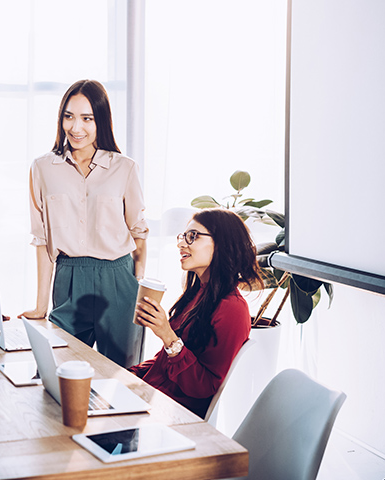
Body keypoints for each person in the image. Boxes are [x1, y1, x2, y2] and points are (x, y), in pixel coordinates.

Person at [20, 80, 149, 368]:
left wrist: (135, 282)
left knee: (121, 379)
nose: (76, 128)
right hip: (68, 278)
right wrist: (41, 305)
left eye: (87, 118)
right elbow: (41, 239)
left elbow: (138, 231)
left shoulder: (125, 168)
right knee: (58, 371)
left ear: (100, 120)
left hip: (118, 279)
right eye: (69, 116)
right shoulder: (42, 168)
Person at [129, 208, 264, 418]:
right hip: (150, 398)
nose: (181, 243)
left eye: (192, 236)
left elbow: (206, 386)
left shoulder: (233, 309)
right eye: (183, 236)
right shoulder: (197, 294)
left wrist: (167, 335)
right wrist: (129, 375)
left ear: (221, 244)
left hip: (170, 416)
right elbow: (163, 364)